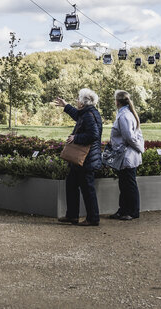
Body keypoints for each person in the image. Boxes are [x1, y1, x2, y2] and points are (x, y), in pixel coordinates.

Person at [53, 88, 103, 226]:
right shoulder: (88, 112)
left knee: (88, 189)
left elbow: (93, 135)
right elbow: (78, 116)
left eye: (78, 99)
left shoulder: (88, 115)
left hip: (86, 159)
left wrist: (76, 137)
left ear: (82, 102)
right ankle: (72, 216)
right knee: (71, 184)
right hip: (82, 159)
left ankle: (93, 219)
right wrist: (66, 105)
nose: (76, 101)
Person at [106, 90, 144, 221]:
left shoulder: (124, 116)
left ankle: (132, 211)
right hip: (126, 154)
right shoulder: (128, 114)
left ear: (117, 102)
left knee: (128, 184)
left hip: (127, 155)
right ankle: (123, 210)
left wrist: (140, 148)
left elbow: (129, 137)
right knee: (124, 183)